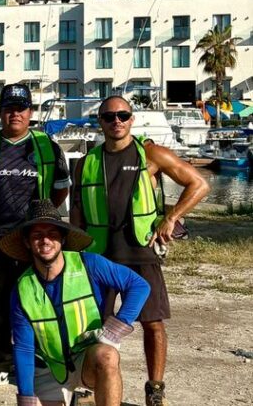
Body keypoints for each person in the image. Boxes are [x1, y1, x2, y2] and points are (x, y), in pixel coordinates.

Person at [72, 95, 209, 406]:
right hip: (100, 254)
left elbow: (199, 184)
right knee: (91, 323)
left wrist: (172, 217)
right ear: (101, 123)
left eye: (123, 115)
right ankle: (87, 384)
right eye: (109, 117)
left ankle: (155, 388)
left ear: (132, 119)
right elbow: (78, 212)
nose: (116, 121)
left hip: (141, 251)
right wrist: (75, 255)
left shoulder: (151, 154)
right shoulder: (86, 163)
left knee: (153, 322)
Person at [0, 83, 71, 390]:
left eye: (21, 109)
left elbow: (61, 188)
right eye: (9, 109)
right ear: (1, 112)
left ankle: (37, 360)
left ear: (30, 112)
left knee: (37, 300)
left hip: (32, 238)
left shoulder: (46, 145)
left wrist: (42, 218)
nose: (15, 114)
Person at [4, 200, 150, 406]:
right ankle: (79, 399)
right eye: (37, 235)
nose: (45, 240)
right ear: (27, 242)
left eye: (52, 234)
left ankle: (88, 396)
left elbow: (138, 285)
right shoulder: (21, 290)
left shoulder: (90, 263)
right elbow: (24, 348)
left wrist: (115, 330)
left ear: (62, 239)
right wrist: (26, 396)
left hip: (87, 359)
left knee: (107, 356)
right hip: (49, 368)